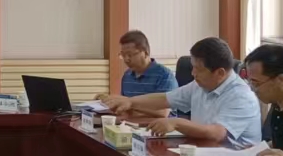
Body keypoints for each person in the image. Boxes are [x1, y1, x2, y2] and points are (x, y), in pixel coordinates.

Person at [112, 37, 261, 145]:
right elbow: (165, 99)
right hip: (204, 154)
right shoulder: (200, 85)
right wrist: (130, 102)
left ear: (220, 73)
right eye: (192, 67)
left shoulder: (241, 96)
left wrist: (177, 123)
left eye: (198, 69)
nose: (193, 73)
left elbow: (217, 133)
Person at [94, 31, 177, 105]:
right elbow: (125, 105)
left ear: (145, 53)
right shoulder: (127, 75)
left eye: (130, 55)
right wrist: (108, 101)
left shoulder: (165, 76)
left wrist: (125, 101)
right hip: (129, 118)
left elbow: (162, 112)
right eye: (123, 55)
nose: (126, 59)